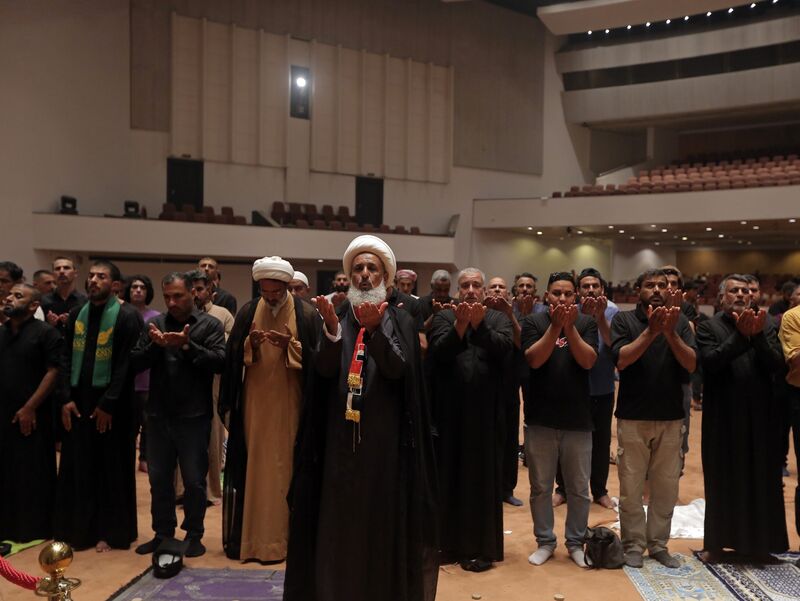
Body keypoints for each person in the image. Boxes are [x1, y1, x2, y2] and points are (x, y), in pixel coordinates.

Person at [283, 235, 438, 601]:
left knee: (379, 528)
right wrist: (334, 334)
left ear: (385, 275)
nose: (365, 275)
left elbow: (399, 370)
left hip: (384, 451)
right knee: (338, 527)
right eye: (358, 268)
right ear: (349, 276)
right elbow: (321, 372)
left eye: (372, 268)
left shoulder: (399, 318)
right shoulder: (334, 317)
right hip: (338, 449)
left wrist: (374, 330)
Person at [219, 257, 320, 561]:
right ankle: (253, 543)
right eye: (266, 292)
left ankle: (286, 543)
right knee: (256, 467)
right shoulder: (249, 311)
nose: (272, 297)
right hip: (256, 404)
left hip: (290, 403)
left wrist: (291, 345)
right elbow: (232, 354)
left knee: (286, 467)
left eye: (277, 292)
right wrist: (249, 344)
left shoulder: (305, 313)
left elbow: (320, 360)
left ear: (287, 286)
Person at [131, 272, 226, 558]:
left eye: (178, 296)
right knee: (158, 480)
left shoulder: (209, 325)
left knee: (195, 480)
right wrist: (155, 346)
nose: (172, 302)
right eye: (167, 296)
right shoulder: (154, 324)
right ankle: (162, 533)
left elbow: (220, 362)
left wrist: (185, 345)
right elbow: (134, 361)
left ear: (192, 295)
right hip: (159, 416)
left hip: (193, 416)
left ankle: (194, 534)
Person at [697, 275, 788, 562]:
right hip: (722, 418)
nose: (740, 295)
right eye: (733, 291)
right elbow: (710, 363)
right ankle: (717, 543)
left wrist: (757, 335)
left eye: (745, 291)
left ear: (753, 297)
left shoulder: (769, 325)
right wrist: (741, 335)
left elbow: (777, 365)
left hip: (762, 417)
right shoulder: (709, 327)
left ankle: (760, 544)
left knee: (761, 479)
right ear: (721, 298)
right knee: (722, 479)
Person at [55, 260, 143, 552]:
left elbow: (125, 364)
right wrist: (65, 397)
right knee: (80, 466)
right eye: (91, 276)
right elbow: (65, 358)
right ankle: (81, 531)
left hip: (114, 406)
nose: (93, 280)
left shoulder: (128, 316)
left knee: (112, 469)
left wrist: (108, 403)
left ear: (115, 285)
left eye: (101, 277)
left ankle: (112, 532)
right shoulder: (77, 315)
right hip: (79, 403)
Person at [611, 268, 696, 569]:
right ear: (638, 291)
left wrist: (670, 331)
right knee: (631, 487)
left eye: (663, 284)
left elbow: (690, 363)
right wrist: (651, 330)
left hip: (672, 418)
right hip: (633, 417)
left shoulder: (682, 322)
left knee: (666, 487)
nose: (658, 289)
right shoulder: (624, 320)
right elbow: (621, 359)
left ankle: (659, 544)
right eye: (650, 285)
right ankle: (633, 544)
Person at [429, 267, 513, 572]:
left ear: (485, 290)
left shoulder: (498, 319)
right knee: (449, 479)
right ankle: (448, 544)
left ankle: (480, 548)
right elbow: (437, 353)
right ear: (456, 290)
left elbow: (505, 350)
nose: (471, 290)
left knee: (482, 482)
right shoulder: (443, 318)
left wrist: (479, 326)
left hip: (487, 417)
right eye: (464, 285)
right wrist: (461, 326)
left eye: (476, 285)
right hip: (449, 415)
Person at [521, 272, 598, 568]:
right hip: (540, 418)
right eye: (556, 293)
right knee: (540, 486)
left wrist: (570, 327)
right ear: (546, 296)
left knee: (579, 488)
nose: (562, 299)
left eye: (567, 294)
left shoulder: (587, 322)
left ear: (576, 296)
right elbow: (534, 359)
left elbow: (588, 360)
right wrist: (556, 327)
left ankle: (576, 543)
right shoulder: (533, 323)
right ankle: (545, 541)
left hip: (578, 420)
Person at [0, 283, 62, 542]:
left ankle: (33, 528)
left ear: (34, 305)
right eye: (9, 295)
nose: (9, 299)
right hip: (3, 413)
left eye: (18, 296)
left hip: (33, 414)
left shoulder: (45, 333)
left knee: (31, 472)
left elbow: (53, 371)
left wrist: (30, 407)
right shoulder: (1, 333)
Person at [554, 268, 619, 510]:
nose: (590, 290)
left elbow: (614, 344)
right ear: (579, 291)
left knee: (600, 442)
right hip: (572, 386)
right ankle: (562, 488)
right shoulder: (569, 310)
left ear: (602, 288)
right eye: (585, 286)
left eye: (595, 286)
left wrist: (601, 317)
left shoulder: (612, 310)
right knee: (565, 440)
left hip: (601, 386)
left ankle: (599, 490)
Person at [175, 270, 234, 506]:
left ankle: (210, 491)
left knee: (211, 437)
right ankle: (181, 489)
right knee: (182, 437)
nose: (196, 293)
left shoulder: (223, 315)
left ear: (211, 291)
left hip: (212, 383)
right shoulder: (179, 314)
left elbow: (226, 349)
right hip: (183, 384)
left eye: (201, 289)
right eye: (193, 289)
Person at [485, 276, 524, 506]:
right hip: (482, 388)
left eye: (501, 287)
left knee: (509, 439)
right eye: (493, 287)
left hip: (509, 388)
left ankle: (506, 489)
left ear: (508, 294)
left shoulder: (515, 316)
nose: (498, 289)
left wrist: (509, 314)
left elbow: (522, 344)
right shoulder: (476, 313)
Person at [123, 275, 159, 473]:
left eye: (142, 287)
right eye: (134, 287)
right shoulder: (120, 313)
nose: (137, 290)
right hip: (125, 378)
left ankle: (145, 457)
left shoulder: (154, 317)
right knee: (128, 421)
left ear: (148, 292)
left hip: (147, 379)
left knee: (147, 422)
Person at [41, 257, 87, 334]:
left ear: (75, 273)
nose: (62, 271)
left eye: (66, 268)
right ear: (53, 274)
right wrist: (48, 324)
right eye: (58, 269)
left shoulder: (85, 301)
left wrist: (72, 323)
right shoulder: (43, 301)